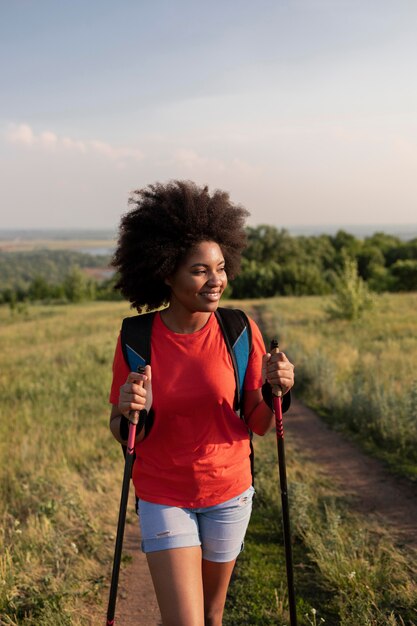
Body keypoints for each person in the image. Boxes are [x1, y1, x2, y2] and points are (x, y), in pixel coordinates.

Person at [109, 180, 294, 626]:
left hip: (229, 491)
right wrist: (127, 408)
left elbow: (260, 422)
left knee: (212, 617)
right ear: (167, 272)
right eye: (200, 270)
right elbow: (123, 432)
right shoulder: (137, 338)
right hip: (163, 493)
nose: (217, 281)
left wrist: (279, 391)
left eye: (221, 267)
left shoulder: (237, 329)